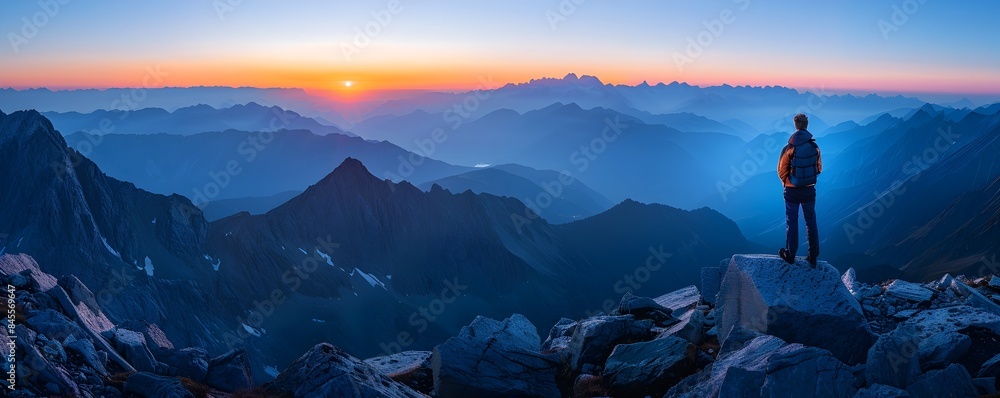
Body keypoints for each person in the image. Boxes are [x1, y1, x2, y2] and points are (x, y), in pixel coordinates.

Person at [778, 113, 822, 266]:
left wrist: (787, 182)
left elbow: (781, 169)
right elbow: (819, 168)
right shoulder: (814, 147)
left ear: (795, 125)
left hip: (791, 190)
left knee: (792, 221)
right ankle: (813, 256)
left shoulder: (789, 148)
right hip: (809, 190)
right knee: (811, 221)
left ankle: (790, 254)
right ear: (806, 125)